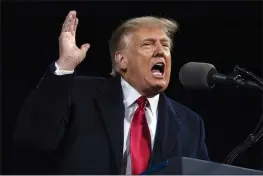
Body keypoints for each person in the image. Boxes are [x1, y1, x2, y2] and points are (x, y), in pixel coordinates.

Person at [13, 10, 209, 174]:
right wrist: (64, 66)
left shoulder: (190, 123)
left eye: (165, 45)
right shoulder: (79, 94)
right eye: (148, 44)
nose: (160, 51)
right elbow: (33, 138)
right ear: (121, 60)